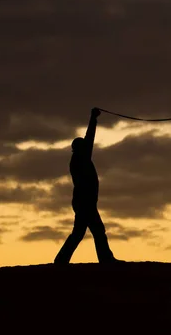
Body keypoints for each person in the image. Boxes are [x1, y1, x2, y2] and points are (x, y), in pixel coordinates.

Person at [54, 107, 121, 264]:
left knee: (81, 233)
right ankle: (105, 259)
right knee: (95, 231)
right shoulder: (80, 160)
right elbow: (90, 137)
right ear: (79, 149)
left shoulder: (79, 159)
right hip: (85, 203)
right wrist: (93, 119)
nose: (87, 146)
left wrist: (93, 119)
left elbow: (88, 139)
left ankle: (62, 260)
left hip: (84, 202)